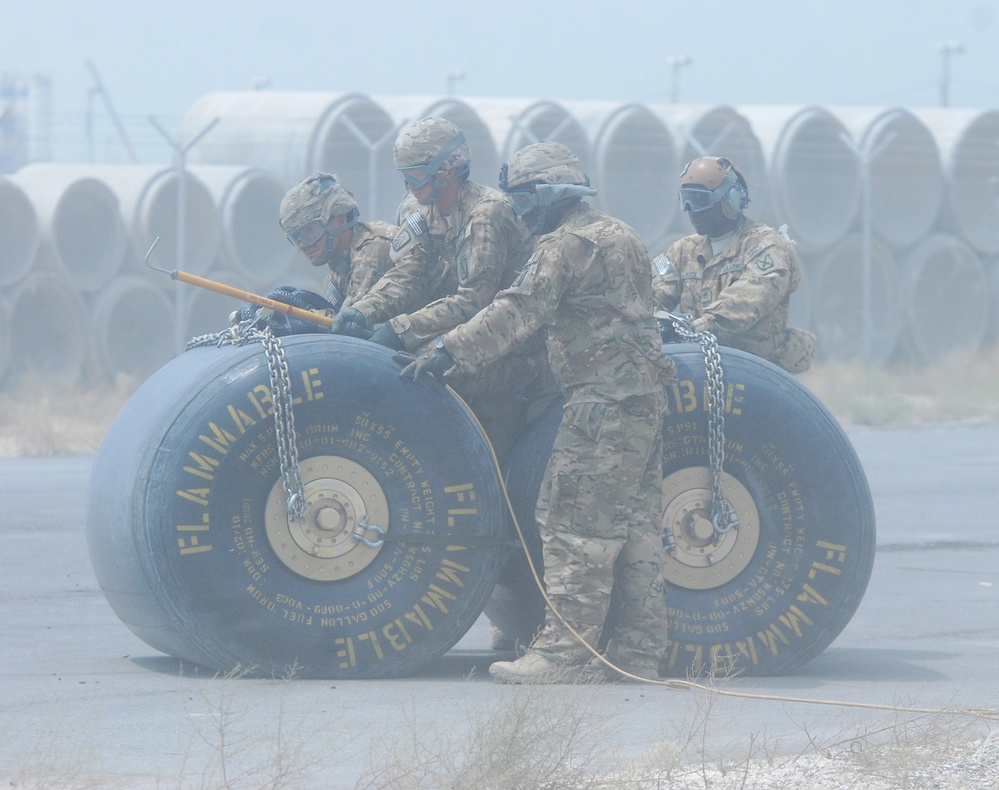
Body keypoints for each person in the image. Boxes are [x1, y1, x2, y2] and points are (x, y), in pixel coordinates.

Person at [398, 141, 676, 684]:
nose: (518, 211)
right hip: (641, 399)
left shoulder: (563, 246)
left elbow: (517, 311)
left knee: (572, 523)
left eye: (523, 198)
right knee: (638, 525)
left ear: (549, 195)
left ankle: (564, 656)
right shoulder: (621, 233)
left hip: (599, 404)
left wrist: (448, 351)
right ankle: (639, 650)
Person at [332, 116, 546, 464]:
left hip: (515, 341)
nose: (409, 187)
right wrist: (363, 310)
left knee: (421, 371)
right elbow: (409, 274)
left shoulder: (485, 215)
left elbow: (474, 300)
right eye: (405, 177)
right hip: (472, 331)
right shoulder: (428, 211)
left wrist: (401, 330)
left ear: (447, 170)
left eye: (415, 176)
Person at [652, 156, 816, 373]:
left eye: (700, 201)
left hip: (757, 369)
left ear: (731, 200)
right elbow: (654, 293)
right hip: (702, 365)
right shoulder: (683, 251)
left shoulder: (766, 245)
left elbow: (744, 303)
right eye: (686, 200)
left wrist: (691, 328)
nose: (691, 210)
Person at [278, 171, 398, 313]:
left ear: (340, 221)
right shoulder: (338, 269)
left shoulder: (373, 248)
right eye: (296, 237)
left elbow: (351, 319)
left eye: (310, 231)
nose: (302, 245)